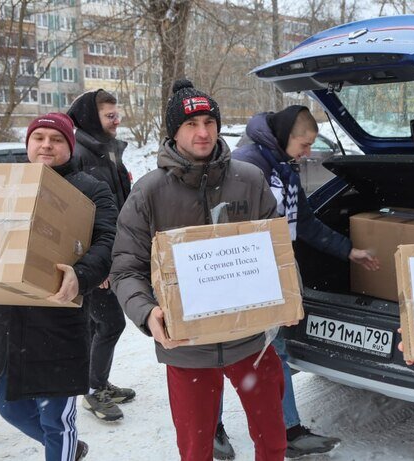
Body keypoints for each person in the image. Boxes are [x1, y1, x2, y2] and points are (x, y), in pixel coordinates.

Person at [110, 79, 287, 461]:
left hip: (250, 342)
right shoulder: (149, 191)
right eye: (191, 124)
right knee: (195, 451)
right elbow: (126, 268)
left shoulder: (249, 180)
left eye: (209, 121)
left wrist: (288, 299)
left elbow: (278, 252)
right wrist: (146, 311)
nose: (203, 132)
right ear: (174, 131)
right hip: (186, 348)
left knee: (273, 443)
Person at [217, 105, 379, 458]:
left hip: (276, 272)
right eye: (304, 144)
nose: (308, 153)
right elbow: (223, 225)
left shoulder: (285, 168)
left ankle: (287, 429)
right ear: (284, 135)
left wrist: (349, 251)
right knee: (221, 349)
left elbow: (304, 223)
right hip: (240, 274)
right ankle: (213, 427)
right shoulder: (245, 165)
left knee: (276, 350)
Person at [0, 113, 118, 461]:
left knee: (57, 420)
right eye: (38, 137)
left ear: (69, 145)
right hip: (6, 318)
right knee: (10, 407)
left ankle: (63, 450)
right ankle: (70, 449)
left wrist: (81, 275)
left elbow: (108, 240)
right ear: (27, 144)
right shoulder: (5, 185)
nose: (46, 145)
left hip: (59, 319)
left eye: (55, 139)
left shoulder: (90, 188)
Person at [67, 89, 135, 422]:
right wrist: (99, 263)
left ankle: (97, 382)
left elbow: (119, 203)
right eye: (110, 115)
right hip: (97, 260)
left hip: (111, 253)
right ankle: (93, 392)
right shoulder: (81, 154)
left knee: (99, 325)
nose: (117, 120)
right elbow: (83, 218)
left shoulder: (104, 149)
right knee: (110, 324)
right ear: (94, 118)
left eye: (116, 113)